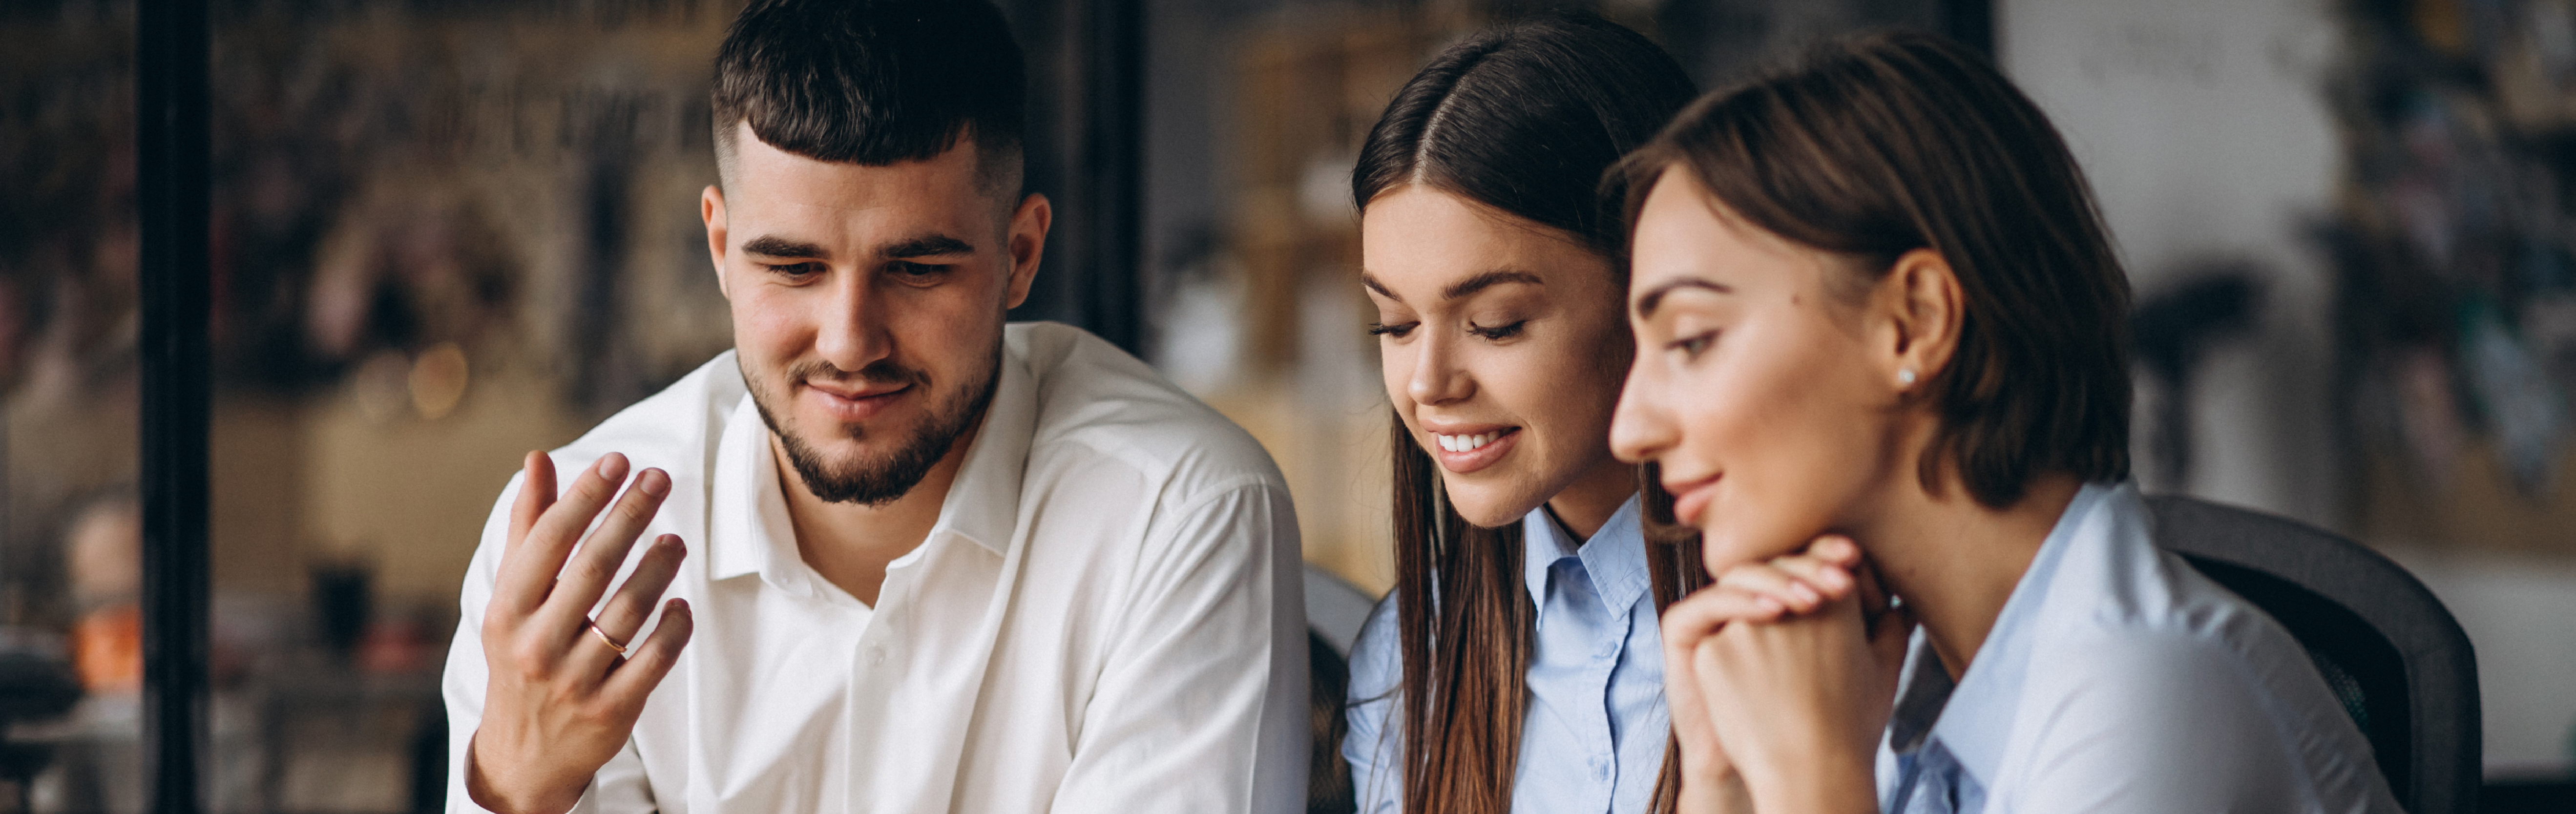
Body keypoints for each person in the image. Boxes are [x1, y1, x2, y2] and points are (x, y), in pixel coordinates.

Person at [439, 1, 1308, 812]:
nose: (850, 343)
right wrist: (519, 789)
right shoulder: (566, 563)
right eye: (792, 268)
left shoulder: (1179, 510)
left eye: (917, 269)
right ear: (719, 247)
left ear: (1020, 253)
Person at [1606, 32, 2402, 814]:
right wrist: (1721, 785)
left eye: (1689, 340)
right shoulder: (1881, 679)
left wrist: (1810, 776)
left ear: (1913, 323)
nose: (1629, 429)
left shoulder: (2149, 689)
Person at [1339, 14, 1700, 814]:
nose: (1428, 382)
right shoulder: (1410, 656)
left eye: (1495, 322)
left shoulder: (1833, 628)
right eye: (1393, 325)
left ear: (1655, 294)